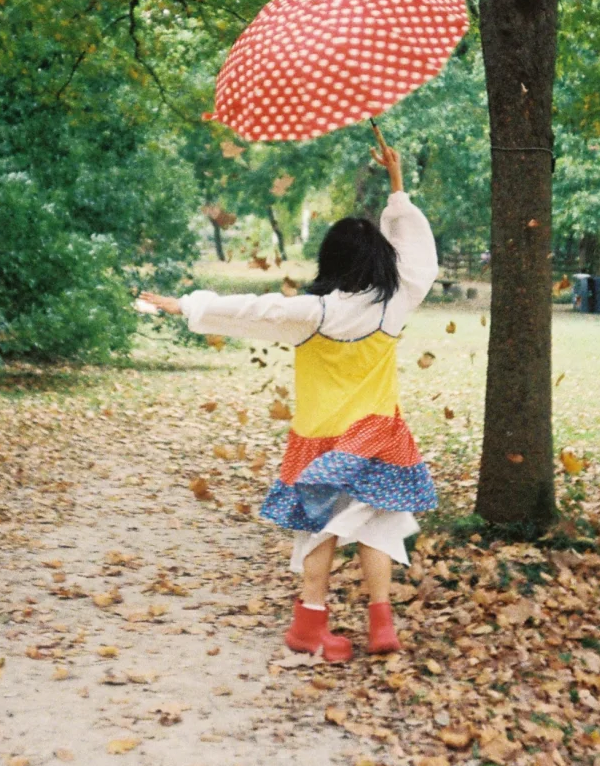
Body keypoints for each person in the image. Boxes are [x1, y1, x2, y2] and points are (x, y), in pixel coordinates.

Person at [140, 138, 438, 662]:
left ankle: (309, 624)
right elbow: (419, 258)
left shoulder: (314, 312)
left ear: (331, 259)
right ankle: (382, 622)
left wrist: (183, 304)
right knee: (379, 526)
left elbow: (252, 311)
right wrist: (397, 189)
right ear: (380, 260)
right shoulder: (398, 303)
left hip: (320, 441)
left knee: (319, 528)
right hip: (378, 437)